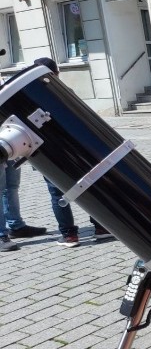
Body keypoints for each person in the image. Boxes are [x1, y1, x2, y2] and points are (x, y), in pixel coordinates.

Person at [32, 57, 112, 247]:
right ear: (57, 73)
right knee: (88, 186)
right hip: (74, 149)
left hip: (48, 152)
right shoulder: (67, 92)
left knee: (57, 193)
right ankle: (101, 227)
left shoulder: (30, 96)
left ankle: (69, 236)